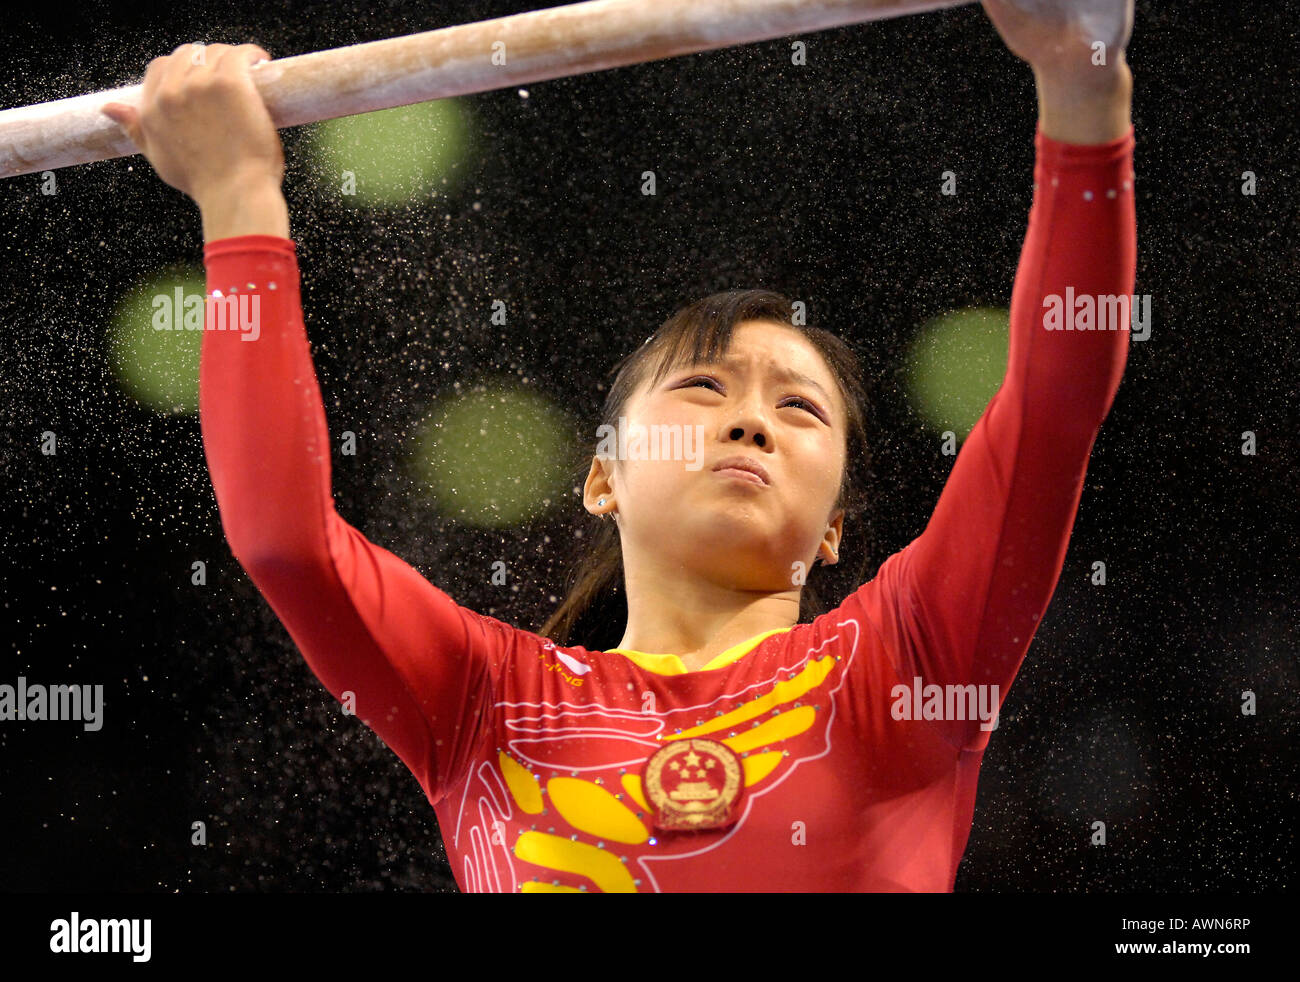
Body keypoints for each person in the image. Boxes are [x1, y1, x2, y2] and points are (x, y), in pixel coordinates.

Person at [101, 0, 1137, 891]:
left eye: (800, 410)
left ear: (833, 532)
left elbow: (1049, 413)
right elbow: (285, 541)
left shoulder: (905, 663)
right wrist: (237, 199)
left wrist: (1080, 89)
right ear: (603, 477)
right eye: (702, 386)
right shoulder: (484, 703)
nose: (750, 420)